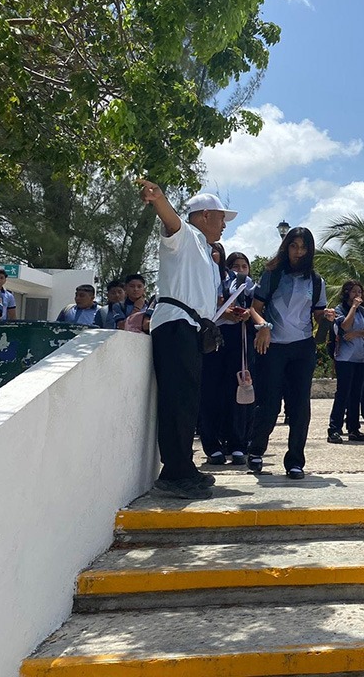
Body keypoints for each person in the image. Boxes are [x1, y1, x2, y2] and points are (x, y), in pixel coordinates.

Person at [141, 181, 234, 500]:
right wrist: (159, 199)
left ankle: (183, 466)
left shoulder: (207, 254)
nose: (224, 225)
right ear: (205, 215)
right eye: (221, 217)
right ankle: (174, 473)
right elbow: (171, 221)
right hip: (176, 326)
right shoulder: (187, 236)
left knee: (187, 401)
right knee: (178, 401)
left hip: (190, 327)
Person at [247, 227, 329, 479]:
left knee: (300, 405)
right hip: (273, 347)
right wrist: (263, 327)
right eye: (294, 246)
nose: (298, 252)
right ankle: (256, 450)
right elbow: (254, 308)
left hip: (302, 347)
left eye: (303, 247)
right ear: (287, 247)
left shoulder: (316, 281)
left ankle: (295, 461)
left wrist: (326, 317)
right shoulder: (273, 274)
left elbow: (317, 313)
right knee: (270, 403)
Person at [198, 243, 254, 467]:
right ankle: (212, 446)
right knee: (209, 392)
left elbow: (255, 304)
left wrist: (245, 314)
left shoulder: (240, 281)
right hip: (209, 338)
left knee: (237, 390)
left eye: (215, 252)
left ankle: (238, 444)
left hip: (234, 339)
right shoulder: (198, 277)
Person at [328, 281, 364, 444]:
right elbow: (344, 327)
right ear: (347, 293)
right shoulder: (340, 310)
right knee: (343, 393)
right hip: (344, 357)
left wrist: (356, 333)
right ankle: (334, 428)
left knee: (356, 394)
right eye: (354, 292)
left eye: (359, 292)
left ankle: (353, 428)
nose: (357, 295)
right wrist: (353, 308)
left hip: (361, 357)